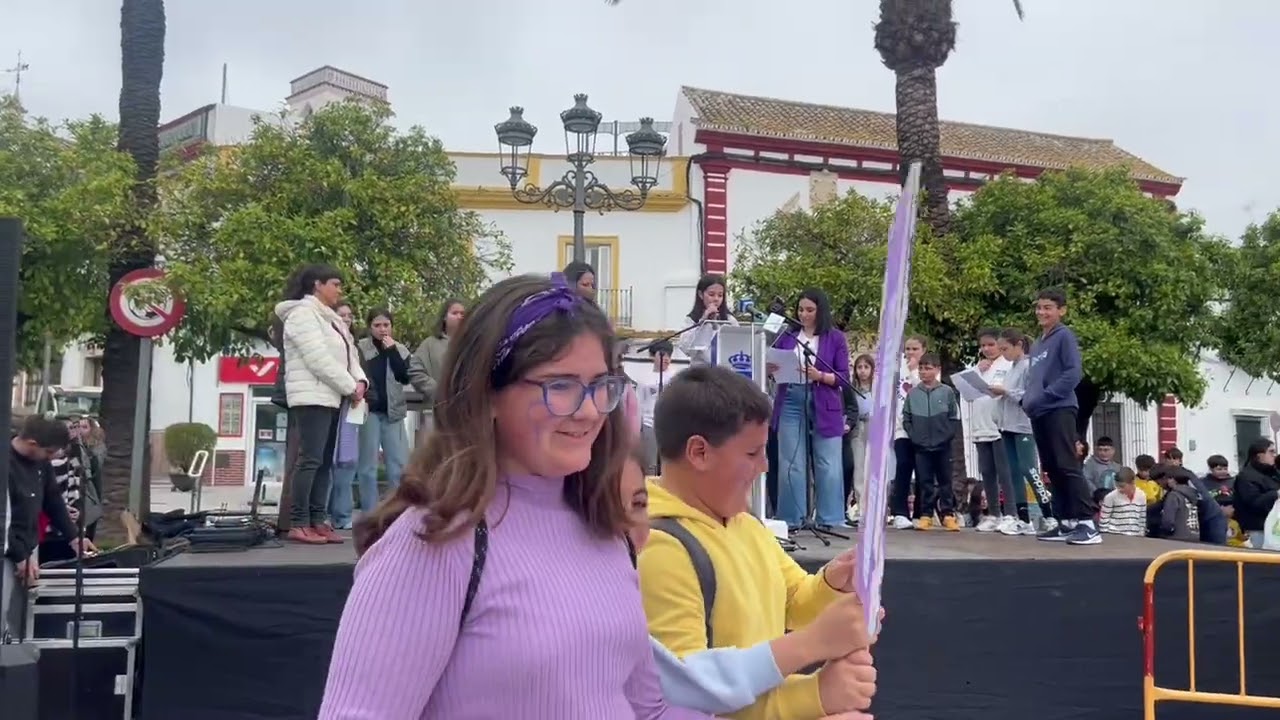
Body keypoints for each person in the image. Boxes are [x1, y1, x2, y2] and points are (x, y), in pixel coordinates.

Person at [319, 274, 713, 718]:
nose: (587, 411)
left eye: (601, 384)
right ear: (487, 394)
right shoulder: (434, 542)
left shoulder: (606, 528)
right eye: (559, 385)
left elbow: (648, 710)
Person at [639, 365, 877, 720]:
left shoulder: (746, 524)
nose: (765, 466)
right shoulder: (660, 549)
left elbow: (794, 601)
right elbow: (687, 696)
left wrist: (832, 582)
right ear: (699, 452)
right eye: (752, 454)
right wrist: (816, 694)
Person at [276, 264, 367, 545]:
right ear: (317, 284)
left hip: (332, 396)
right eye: (335, 284)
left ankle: (318, 520)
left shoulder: (330, 318)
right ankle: (299, 522)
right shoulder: (302, 314)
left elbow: (350, 354)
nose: (339, 290)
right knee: (311, 459)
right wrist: (350, 386)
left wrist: (361, 381)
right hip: (311, 396)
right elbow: (318, 359)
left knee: (326, 462)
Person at [5, 416, 97, 639]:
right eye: (48, 453)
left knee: (22, 616)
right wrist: (18, 555)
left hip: (29, 547)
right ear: (32, 444)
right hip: (8, 549)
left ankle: (18, 662)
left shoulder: (41, 463)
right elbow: (3, 518)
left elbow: (53, 501)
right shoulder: (5, 463)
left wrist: (74, 538)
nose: (50, 459)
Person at [767, 289, 851, 530]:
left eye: (809, 310)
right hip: (791, 397)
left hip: (823, 399)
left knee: (828, 462)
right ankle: (792, 518)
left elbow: (844, 378)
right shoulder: (788, 336)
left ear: (820, 311)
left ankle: (831, 518)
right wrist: (772, 368)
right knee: (791, 461)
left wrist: (821, 375)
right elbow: (775, 361)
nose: (804, 315)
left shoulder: (834, 338)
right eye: (801, 310)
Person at [1022, 288, 1098, 545]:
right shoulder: (1038, 343)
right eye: (1039, 307)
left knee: (1067, 465)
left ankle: (1087, 523)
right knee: (1052, 468)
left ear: (1061, 310)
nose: (1041, 312)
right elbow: (1034, 379)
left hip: (1059, 408)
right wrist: (1028, 401)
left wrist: (1046, 396)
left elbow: (1073, 373)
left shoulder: (1064, 336)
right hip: (1039, 412)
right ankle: (1066, 521)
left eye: (1048, 308)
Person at [355, 308, 432, 510]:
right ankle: (369, 512)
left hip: (394, 412)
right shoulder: (361, 347)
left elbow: (404, 376)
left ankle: (398, 512)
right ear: (370, 327)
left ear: (392, 327)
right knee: (367, 468)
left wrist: (392, 351)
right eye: (377, 325)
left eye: (386, 325)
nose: (382, 329)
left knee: (398, 466)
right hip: (369, 411)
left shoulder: (400, 349)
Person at [990, 328, 1053, 535]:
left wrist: (1006, 391)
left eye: (1005, 348)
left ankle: (1049, 514)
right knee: (1013, 471)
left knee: (1029, 468)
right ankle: (1022, 517)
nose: (1003, 353)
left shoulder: (1028, 366)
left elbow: (1030, 395)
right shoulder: (1012, 368)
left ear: (1018, 345)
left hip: (1023, 425)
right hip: (1007, 425)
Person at [901, 353, 960, 531]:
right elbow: (907, 418)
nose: (924, 372)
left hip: (943, 445)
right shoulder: (913, 394)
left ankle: (948, 514)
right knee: (924, 481)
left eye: (928, 368)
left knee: (945, 480)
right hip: (921, 445)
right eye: (921, 368)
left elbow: (953, 417)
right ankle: (925, 515)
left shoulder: (947, 392)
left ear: (937, 370)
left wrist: (946, 435)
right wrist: (915, 436)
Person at [969, 329, 1016, 534]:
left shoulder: (1009, 365)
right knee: (987, 472)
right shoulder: (978, 367)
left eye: (991, 344)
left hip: (1000, 427)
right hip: (981, 426)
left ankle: (1011, 514)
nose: (987, 349)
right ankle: (993, 514)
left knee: (1004, 473)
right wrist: (977, 372)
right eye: (983, 346)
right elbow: (969, 395)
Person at [888, 335, 926, 529]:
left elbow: (925, 392)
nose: (910, 353)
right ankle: (900, 511)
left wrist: (914, 372)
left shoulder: (927, 371)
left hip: (922, 430)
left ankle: (921, 512)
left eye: (915, 349)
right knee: (903, 465)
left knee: (922, 471)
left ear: (923, 350)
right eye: (908, 349)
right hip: (901, 427)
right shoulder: (898, 369)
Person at [411, 297, 464, 438]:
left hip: (466, 415)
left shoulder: (473, 344)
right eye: (455, 313)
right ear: (444, 318)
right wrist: (437, 390)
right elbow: (415, 371)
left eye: (462, 313)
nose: (459, 316)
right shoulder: (430, 344)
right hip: (435, 413)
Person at [677, 274, 739, 366]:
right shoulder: (692, 319)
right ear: (701, 294)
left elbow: (738, 345)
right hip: (700, 373)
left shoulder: (729, 320)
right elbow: (686, 348)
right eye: (711, 294)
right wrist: (703, 320)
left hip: (724, 371)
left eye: (720, 295)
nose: (716, 299)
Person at [637, 340, 676, 475]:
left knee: (669, 462)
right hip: (649, 424)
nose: (666, 359)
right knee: (651, 463)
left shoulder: (675, 377)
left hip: (669, 425)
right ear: (652, 356)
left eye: (668, 356)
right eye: (662, 355)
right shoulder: (644, 379)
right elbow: (639, 404)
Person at [842, 355, 873, 524]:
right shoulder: (852, 388)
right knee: (858, 468)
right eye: (859, 367)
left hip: (873, 427)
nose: (862, 371)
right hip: (857, 429)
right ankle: (861, 507)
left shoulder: (877, 389)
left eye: (866, 367)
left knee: (873, 467)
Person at [1231, 437, 1279, 542]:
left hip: (1274, 526)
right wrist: (1276, 494)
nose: (1274, 455)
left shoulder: (1273, 473)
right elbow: (1254, 502)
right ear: (1259, 456)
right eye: (1271, 452)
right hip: (1257, 528)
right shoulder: (1246, 476)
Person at [1150, 464, 1201, 542]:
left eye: (1169, 478)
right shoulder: (1193, 493)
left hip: (1177, 537)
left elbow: (1168, 520)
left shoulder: (1173, 495)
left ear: (1174, 479)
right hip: (1194, 535)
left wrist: (1165, 532)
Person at [1098, 468, 1146, 537]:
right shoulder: (1110, 497)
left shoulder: (1141, 495)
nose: (1120, 489)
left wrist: (1141, 534)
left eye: (1122, 486)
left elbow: (1142, 518)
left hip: (1135, 535)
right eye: (1117, 486)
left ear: (1132, 483)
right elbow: (1104, 520)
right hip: (1115, 534)